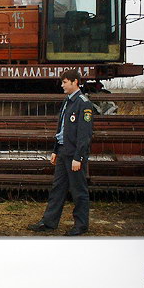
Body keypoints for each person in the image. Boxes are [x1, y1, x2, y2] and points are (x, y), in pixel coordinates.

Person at [28, 69, 93, 236]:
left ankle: (81, 225)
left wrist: (78, 157)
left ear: (75, 82)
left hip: (74, 156)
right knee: (58, 188)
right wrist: (56, 150)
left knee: (78, 191)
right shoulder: (67, 102)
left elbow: (84, 135)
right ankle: (49, 222)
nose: (62, 85)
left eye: (65, 82)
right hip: (63, 152)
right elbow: (62, 129)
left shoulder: (83, 104)